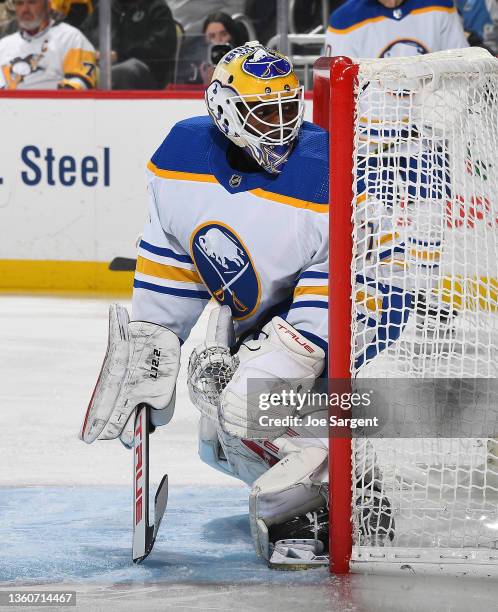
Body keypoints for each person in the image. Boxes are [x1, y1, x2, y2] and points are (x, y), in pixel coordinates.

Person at [80, 42, 408, 568]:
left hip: (368, 321)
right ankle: (321, 477)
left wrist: (296, 351)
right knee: (218, 424)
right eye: (263, 111)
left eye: (287, 109)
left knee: (253, 400)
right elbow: (175, 255)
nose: (280, 126)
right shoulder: (181, 157)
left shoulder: (329, 166)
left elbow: (365, 278)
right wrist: (154, 342)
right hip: (278, 318)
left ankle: (333, 497)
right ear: (226, 109)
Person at [0, 0, 96, 89]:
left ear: (48, 6)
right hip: (10, 106)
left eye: (32, 2)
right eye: (20, 3)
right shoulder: (4, 44)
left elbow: (81, 81)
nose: (25, 9)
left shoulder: (71, 37)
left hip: (58, 105)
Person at [82, 0, 177, 90]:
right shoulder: (104, 8)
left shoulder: (156, 8)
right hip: (99, 65)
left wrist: (119, 55)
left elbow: (160, 48)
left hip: (146, 73)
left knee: (123, 71)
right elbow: (82, 37)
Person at [325, 0, 469, 58]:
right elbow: (335, 90)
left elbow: (462, 68)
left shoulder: (439, 6)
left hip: (433, 120)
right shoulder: (344, 21)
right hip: (368, 122)